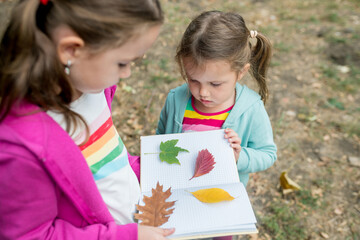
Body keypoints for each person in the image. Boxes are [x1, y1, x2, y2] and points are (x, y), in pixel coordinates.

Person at [0, 0, 174, 239]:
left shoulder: (93, 91)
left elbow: (105, 163)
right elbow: (33, 235)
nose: (127, 74)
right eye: (122, 63)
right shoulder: (22, 147)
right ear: (71, 50)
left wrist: (149, 170)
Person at [157, 11, 277, 239]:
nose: (203, 92)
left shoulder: (250, 108)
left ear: (241, 72)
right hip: (178, 197)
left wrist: (238, 157)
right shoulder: (176, 100)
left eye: (215, 83)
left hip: (222, 204)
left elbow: (268, 154)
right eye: (193, 80)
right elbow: (161, 138)